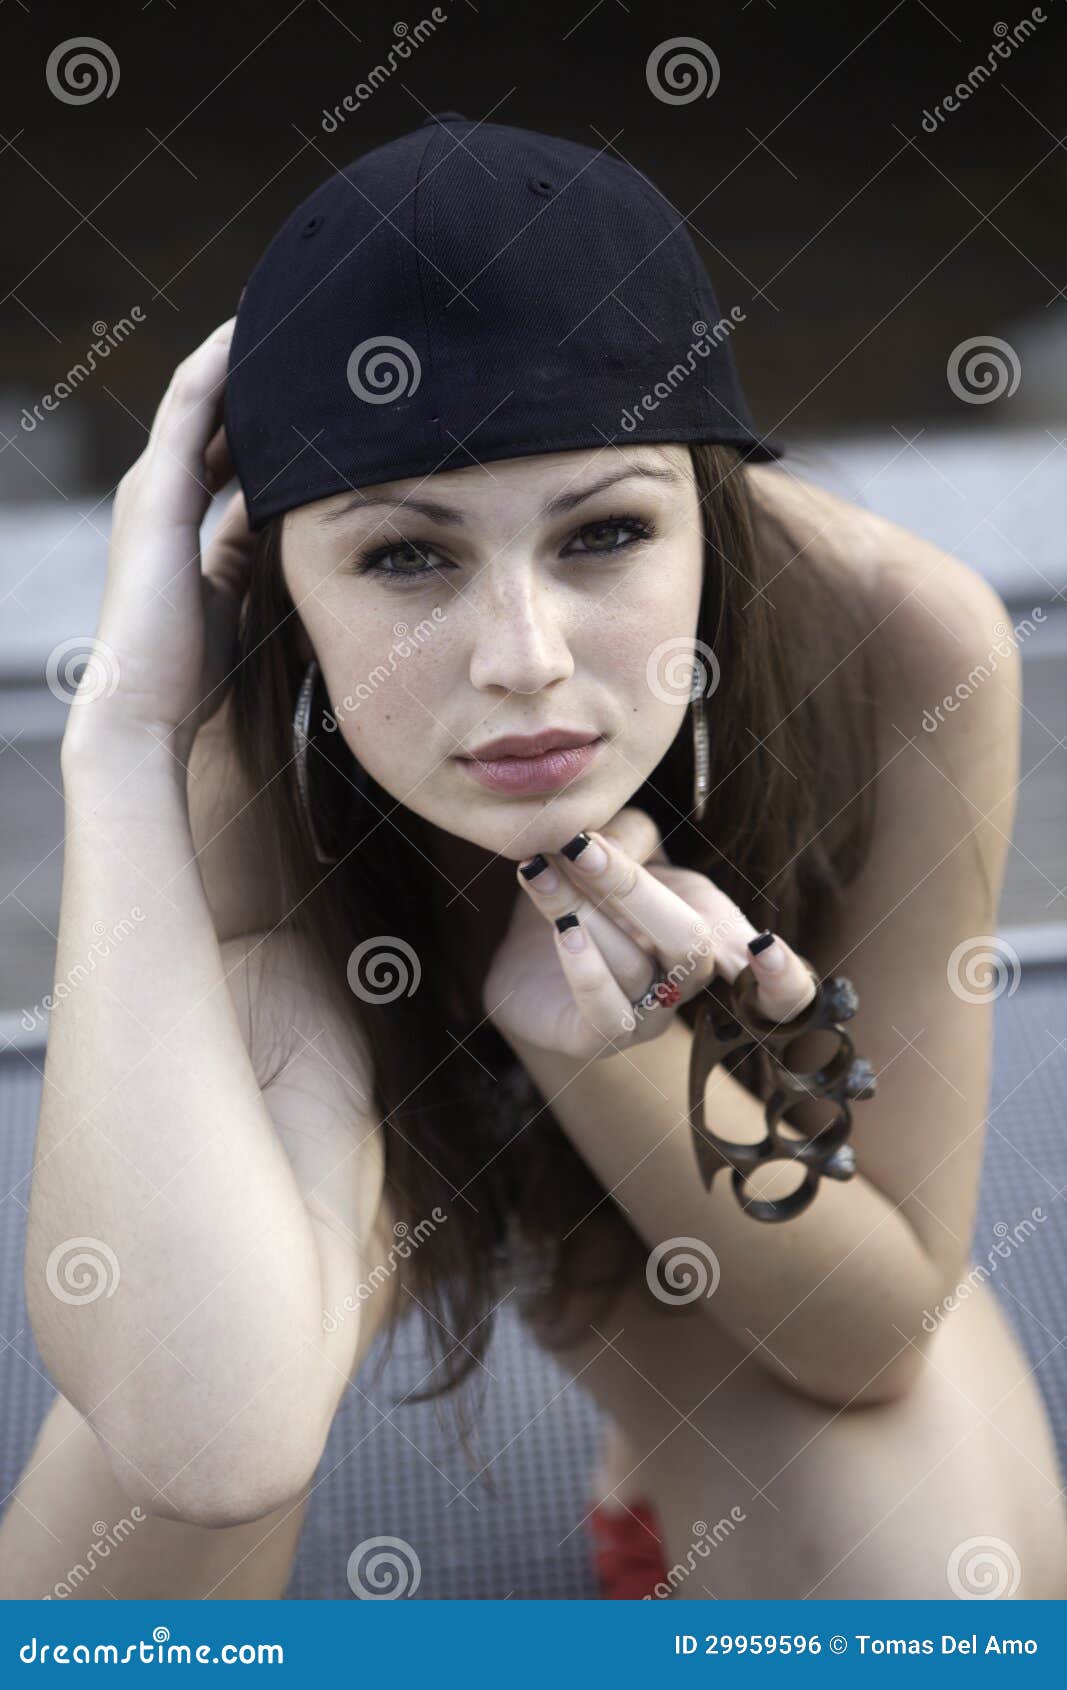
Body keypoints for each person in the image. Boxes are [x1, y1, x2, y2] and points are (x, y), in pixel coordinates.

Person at [3, 114, 1066, 1602]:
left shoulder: (898, 644)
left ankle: (669, 1477)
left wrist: (593, 1044)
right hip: (342, 1169)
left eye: (604, 534)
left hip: (671, 1236)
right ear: (275, 569)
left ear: (710, 508)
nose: (524, 661)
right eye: (407, 556)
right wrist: (117, 737)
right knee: (115, 1597)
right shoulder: (224, 732)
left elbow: (876, 1328)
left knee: (933, 1600)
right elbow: (209, 1442)